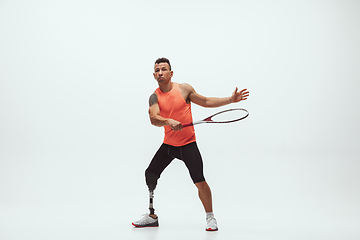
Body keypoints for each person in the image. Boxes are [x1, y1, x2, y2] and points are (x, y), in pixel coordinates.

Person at [132, 57, 249, 231]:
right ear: (154, 75)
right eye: (157, 70)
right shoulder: (154, 97)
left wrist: (230, 100)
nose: (160, 73)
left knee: (199, 180)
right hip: (169, 146)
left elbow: (206, 101)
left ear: (171, 73)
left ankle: (210, 217)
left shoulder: (184, 89)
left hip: (187, 145)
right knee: (150, 173)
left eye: (163, 69)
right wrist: (168, 121)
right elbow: (154, 119)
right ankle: (151, 216)